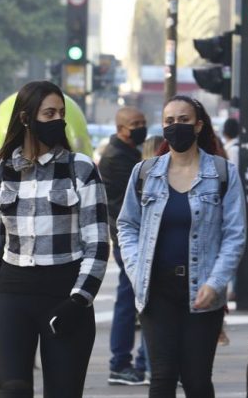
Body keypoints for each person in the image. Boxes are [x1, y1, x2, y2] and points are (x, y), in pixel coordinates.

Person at [0, 80, 110, 397]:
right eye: (49, 113)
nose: (57, 119)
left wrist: (79, 300)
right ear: (26, 118)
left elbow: (97, 245)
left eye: (61, 113)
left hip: (65, 293)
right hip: (13, 295)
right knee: (13, 390)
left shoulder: (81, 169)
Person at [116, 95, 247, 397]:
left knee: (197, 379)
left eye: (184, 120)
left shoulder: (223, 173)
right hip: (156, 289)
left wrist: (216, 283)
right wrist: (136, 272)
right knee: (161, 377)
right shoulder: (146, 173)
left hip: (202, 290)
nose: (176, 127)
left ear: (199, 125)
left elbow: (235, 234)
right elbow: (126, 225)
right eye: (169, 121)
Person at [100, 106, 150, 386]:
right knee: (129, 300)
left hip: (128, 238)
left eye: (142, 121)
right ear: (121, 129)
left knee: (132, 299)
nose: (141, 127)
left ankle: (135, 362)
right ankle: (121, 363)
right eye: (135, 123)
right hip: (128, 240)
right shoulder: (118, 158)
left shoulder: (128, 153)